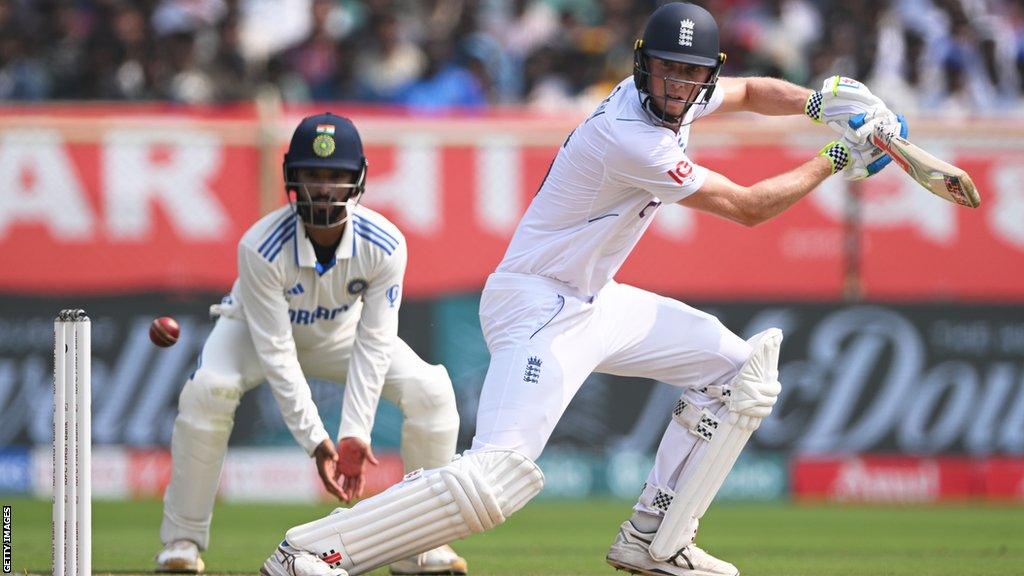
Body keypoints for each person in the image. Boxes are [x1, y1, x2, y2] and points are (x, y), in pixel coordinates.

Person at [259, 4, 905, 576]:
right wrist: (840, 155)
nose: (678, 86)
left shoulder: (682, 91)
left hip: (594, 300)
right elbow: (749, 208)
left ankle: (657, 539)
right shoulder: (631, 135)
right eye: (666, 71)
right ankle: (313, 551)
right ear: (641, 65)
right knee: (500, 475)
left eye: (691, 73)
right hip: (536, 306)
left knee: (743, 375)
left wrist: (819, 103)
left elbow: (753, 90)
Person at [155, 113, 468, 576]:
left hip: (340, 332)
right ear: (292, 179)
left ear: (358, 179)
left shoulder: (385, 245)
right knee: (209, 391)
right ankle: (181, 541)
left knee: (432, 391)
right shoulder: (260, 246)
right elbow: (277, 352)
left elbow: (375, 342)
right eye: (313, 175)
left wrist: (355, 434)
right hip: (251, 334)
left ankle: (422, 547)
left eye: (336, 176)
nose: (324, 189)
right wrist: (317, 440)